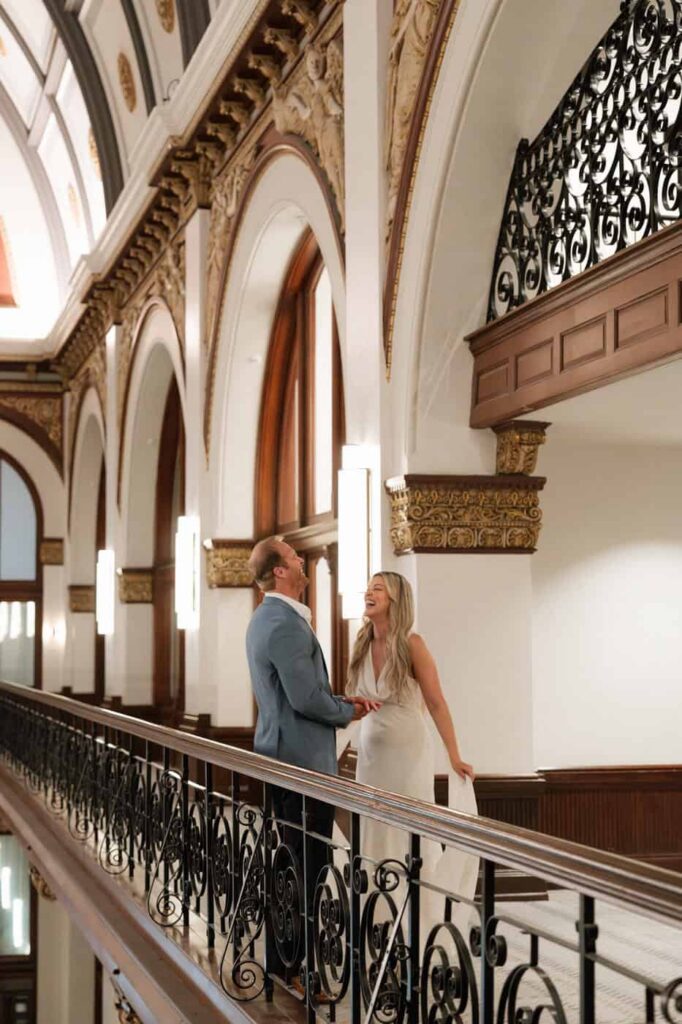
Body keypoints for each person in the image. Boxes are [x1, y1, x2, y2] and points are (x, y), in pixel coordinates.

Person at [245, 536, 377, 984]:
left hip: (282, 754)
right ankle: (291, 967)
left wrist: (339, 701)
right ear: (279, 571)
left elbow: (294, 694)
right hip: (299, 763)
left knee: (293, 863)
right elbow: (303, 698)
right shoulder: (283, 623)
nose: (302, 561)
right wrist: (347, 710)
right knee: (305, 866)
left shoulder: (267, 618)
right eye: (294, 557)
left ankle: (288, 963)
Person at [346, 570, 478, 934]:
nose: (369, 594)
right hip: (371, 755)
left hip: (408, 753)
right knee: (372, 825)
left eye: (378, 589)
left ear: (395, 601)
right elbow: (353, 700)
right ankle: (375, 914)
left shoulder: (412, 644)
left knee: (405, 830)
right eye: (368, 588)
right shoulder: (360, 642)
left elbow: (435, 702)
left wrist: (454, 755)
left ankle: (415, 918)